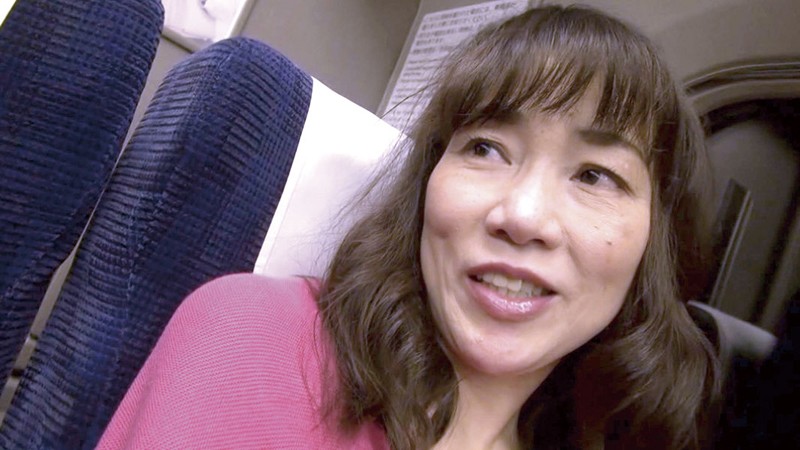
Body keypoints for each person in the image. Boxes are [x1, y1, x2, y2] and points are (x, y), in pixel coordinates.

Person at [97, 5, 719, 450]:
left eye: (595, 176)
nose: (523, 216)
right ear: (427, 184)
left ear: (655, 243)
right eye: (486, 148)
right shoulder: (252, 334)